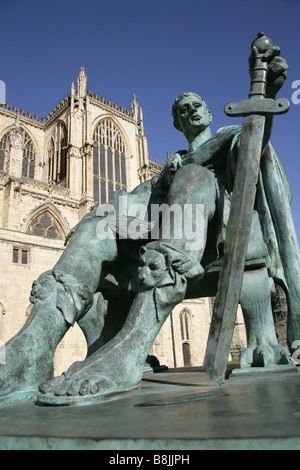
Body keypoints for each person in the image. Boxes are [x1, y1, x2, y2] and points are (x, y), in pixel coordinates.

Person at [1, 43, 299, 405]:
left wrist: (262, 100)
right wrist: (109, 218)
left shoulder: (229, 140)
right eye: (181, 109)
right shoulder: (165, 170)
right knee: (99, 220)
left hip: (211, 234)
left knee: (194, 177)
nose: (190, 110)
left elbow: (254, 150)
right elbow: (135, 205)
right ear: (175, 123)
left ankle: (133, 342)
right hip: (158, 229)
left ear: (207, 111)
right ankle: (32, 350)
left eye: (195, 104)